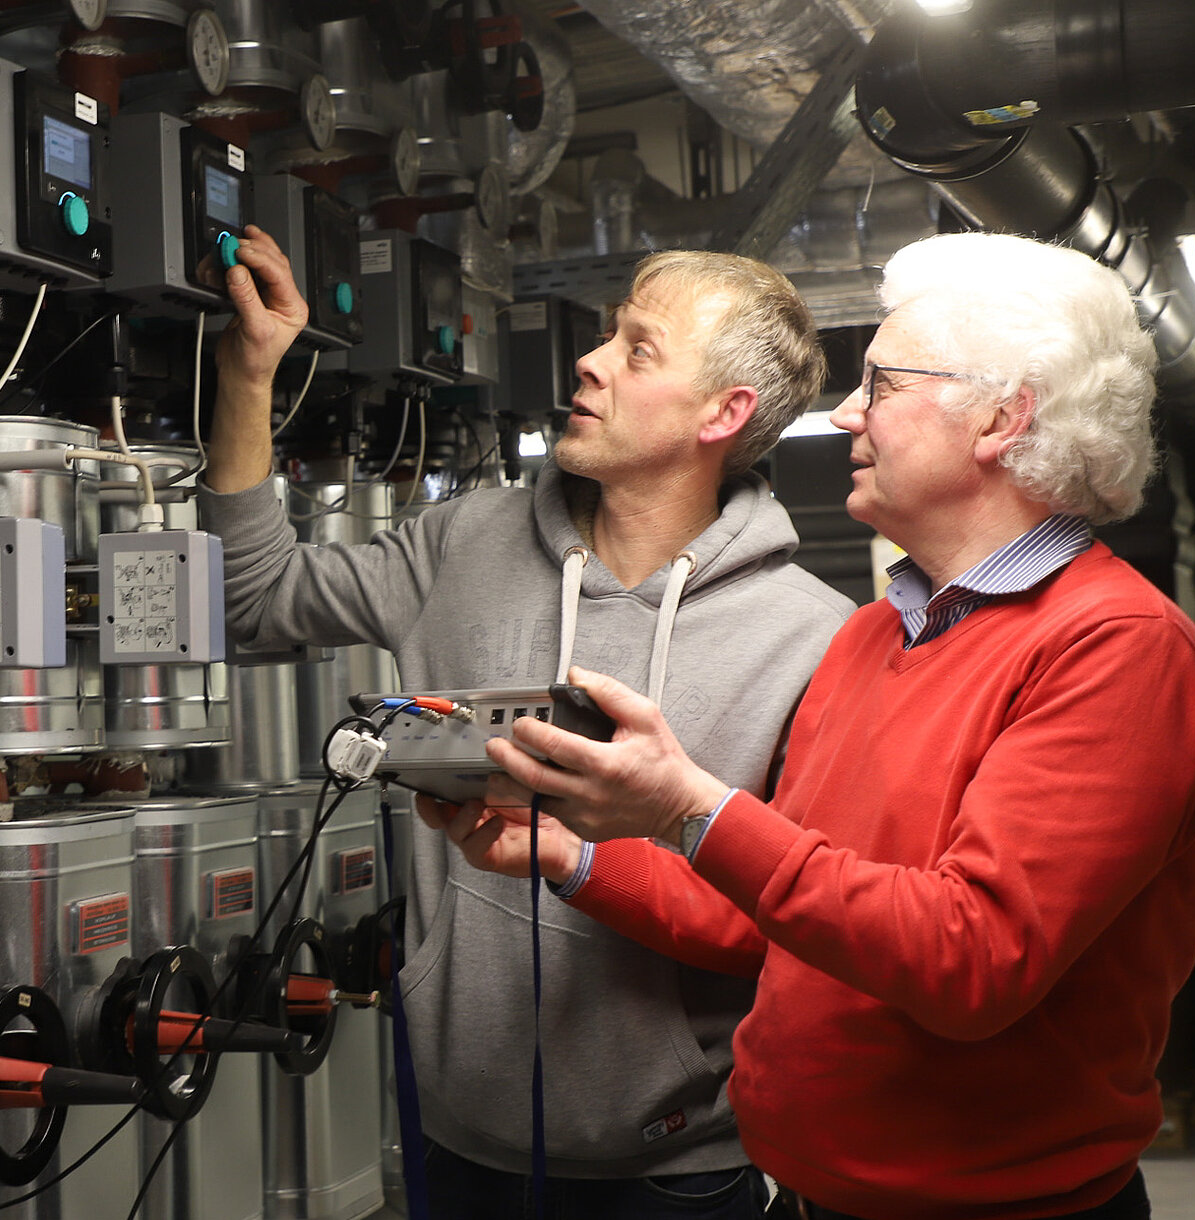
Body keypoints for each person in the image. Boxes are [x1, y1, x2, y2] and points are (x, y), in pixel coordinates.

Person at [431, 231, 1195, 1220]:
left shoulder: (1117, 648)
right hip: (811, 1194)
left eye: (881, 384)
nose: (847, 412)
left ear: (1001, 418)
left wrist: (690, 808)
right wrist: (567, 853)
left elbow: (974, 958)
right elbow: (774, 909)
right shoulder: (870, 637)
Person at [203, 226, 853, 1218]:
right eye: (607, 334)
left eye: (638, 350)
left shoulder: (813, 636)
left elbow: (802, 915)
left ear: (722, 413)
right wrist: (248, 376)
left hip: (679, 1171)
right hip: (457, 1136)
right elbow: (252, 601)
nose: (589, 362)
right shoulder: (465, 540)